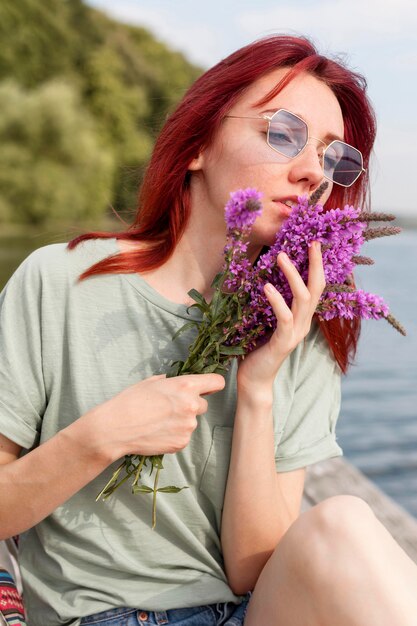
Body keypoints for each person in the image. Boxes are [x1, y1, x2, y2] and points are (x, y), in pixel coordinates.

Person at [0, 34, 416, 626]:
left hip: (249, 612)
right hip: (100, 616)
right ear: (198, 144)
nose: (309, 173)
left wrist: (258, 388)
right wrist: (100, 436)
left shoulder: (301, 328)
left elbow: (254, 571)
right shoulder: (58, 282)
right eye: (283, 133)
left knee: (342, 520)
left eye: (331, 157)